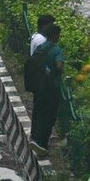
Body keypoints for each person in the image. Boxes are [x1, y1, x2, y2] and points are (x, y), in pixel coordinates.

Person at [29, 22, 64, 154]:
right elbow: (59, 66)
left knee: (38, 112)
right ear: (54, 35)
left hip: (39, 86)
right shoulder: (56, 50)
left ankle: (35, 137)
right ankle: (43, 144)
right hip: (51, 88)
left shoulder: (40, 47)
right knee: (49, 116)